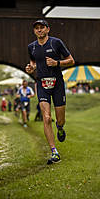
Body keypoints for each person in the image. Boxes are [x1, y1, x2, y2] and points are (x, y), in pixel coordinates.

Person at [26, 19, 75, 164]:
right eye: (37, 28)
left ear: (48, 29)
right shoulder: (32, 47)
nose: (39, 30)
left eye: (42, 28)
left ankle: (60, 128)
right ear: (34, 31)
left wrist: (57, 63)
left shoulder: (56, 43)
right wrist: (31, 67)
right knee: (46, 118)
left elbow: (71, 60)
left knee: (60, 120)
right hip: (42, 84)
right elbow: (33, 61)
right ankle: (54, 152)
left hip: (57, 84)